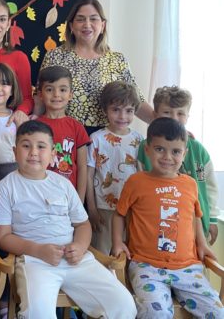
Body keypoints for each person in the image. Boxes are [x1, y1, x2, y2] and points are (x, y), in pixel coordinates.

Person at [0, 120, 137, 319]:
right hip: (35, 261)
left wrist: (80, 246)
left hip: (75, 259)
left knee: (123, 305)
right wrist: (38, 250)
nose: (33, 152)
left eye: (41, 146)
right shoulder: (6, 186)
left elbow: (82, 224)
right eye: (26, 146)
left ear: (53, 153)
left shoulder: (62, 184)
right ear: (14, 151)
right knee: (38, 313)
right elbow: (3, 237)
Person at [112, 117, 224, 318]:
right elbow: (119, 214)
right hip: (147, 266)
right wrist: (117, 242)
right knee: (156, 313)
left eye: (175, 152)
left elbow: (195, 216)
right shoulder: (136, 182)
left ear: (184, 153)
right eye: (159, 149)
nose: (167, 157)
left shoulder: (190, 184)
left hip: (188, 267)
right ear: (147, 149)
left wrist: (202, 244)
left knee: (216, 311)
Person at [40, 0, 153, 134]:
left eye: (93, 19)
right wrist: (33, 123)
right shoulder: (55, 56)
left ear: (103, 25)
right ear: (71, 26)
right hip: (65, 135)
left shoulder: (117, 60)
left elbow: (136, 100)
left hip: (106, 137)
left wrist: (164, 123)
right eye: (80, 19)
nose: (87, 24)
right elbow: (41, 96)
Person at [137, 86, 219, 244]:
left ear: (187, 117)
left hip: (195, 225)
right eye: (167, 112)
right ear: (155, 115)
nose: (174, 118)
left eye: (180, 113)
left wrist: (213, 219)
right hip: (156, 223)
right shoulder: (145, 148)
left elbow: (211, 188)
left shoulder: (198, 150)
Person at [86, 81, 143, 254]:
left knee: (128, 253)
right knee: (102, 254)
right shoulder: (96, 139)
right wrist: (92, 209)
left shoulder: (139, 140)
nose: (122, 116)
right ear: (105, 110)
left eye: (129, 111)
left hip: (131, 208)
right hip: (103, 208)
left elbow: (142, 175)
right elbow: (89, 175)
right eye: (116, 109)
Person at [36, 66, 90, 202]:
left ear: (70, 94)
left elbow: (82, 167)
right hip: (39, 194)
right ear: (40, 94)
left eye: (63, 90)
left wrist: (80, 200)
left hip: (68, 197)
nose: (56, 94)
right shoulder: (34, 126)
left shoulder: (77, 127)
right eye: (49, 89)